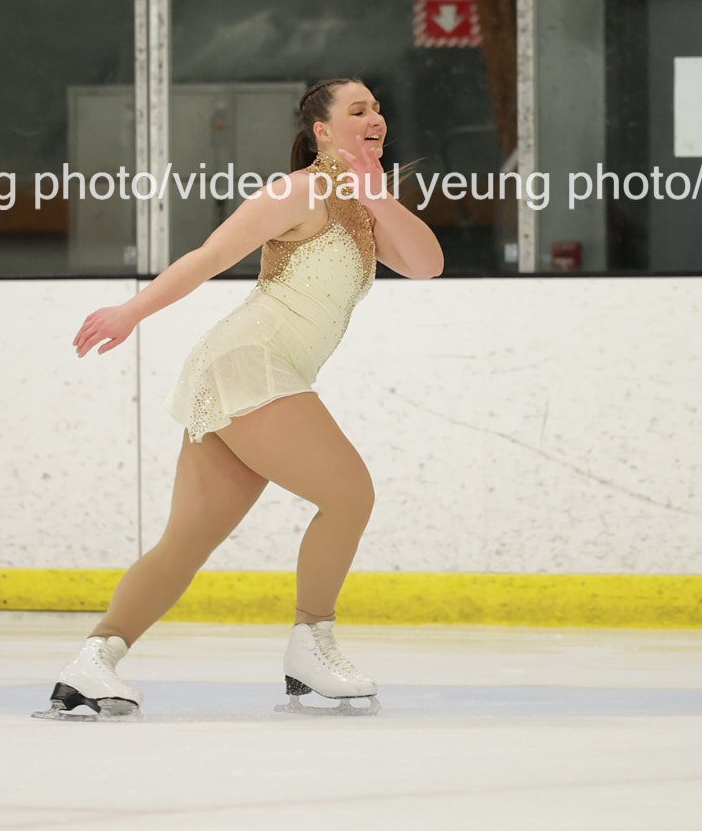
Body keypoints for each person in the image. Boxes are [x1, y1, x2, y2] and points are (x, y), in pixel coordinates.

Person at [39, 78, 444, 719]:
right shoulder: (298, 192)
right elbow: (208, 257)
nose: (376, 117)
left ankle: (94, 660)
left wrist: (377, 195)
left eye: (377, 108)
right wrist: (130, 311)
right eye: (357, 109)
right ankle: (311, 643)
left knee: (187, 541)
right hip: (249, 363)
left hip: (252, 372)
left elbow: (426, 264)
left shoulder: (368, 204)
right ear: (322, 131)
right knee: (349, 493)